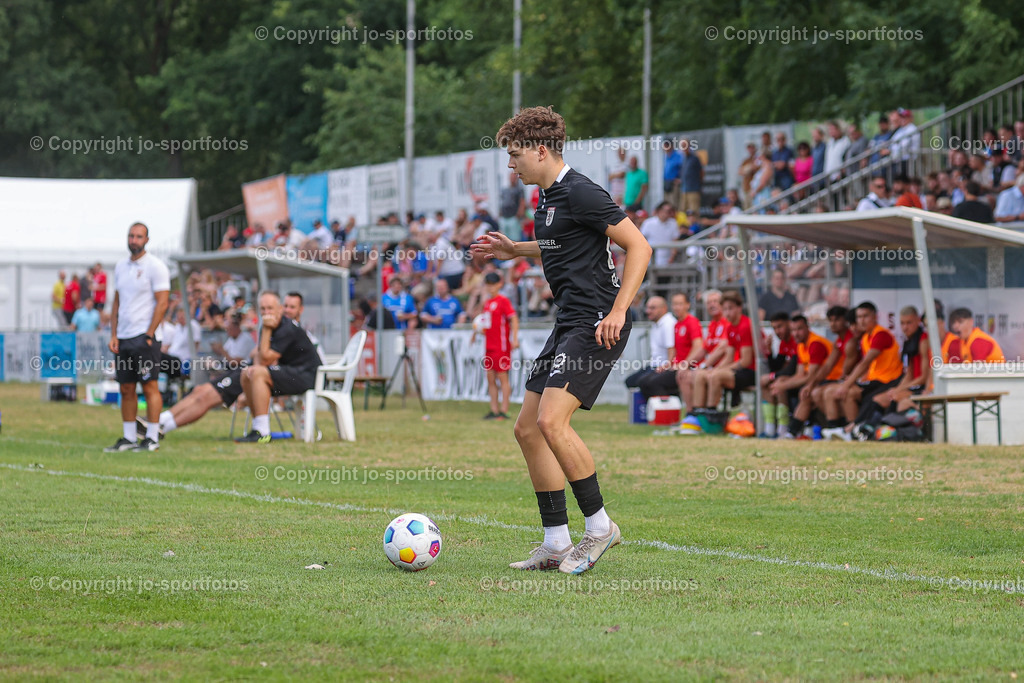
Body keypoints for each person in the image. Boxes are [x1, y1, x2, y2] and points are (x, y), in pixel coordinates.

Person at [472, 105, 651, 575]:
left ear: (541, 150)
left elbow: (640, 246)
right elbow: (562, 243)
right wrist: (515, 250)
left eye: (514, 155)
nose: (511, 165)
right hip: (567, 322)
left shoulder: (581, 192)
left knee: (552, 423)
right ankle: (555, 542)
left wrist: (617, 310)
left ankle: (600, 529)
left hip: (595, 323)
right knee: (527, 429)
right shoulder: (549, 198)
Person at [153, 291, 321, 442]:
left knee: (237, 380)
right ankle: (159, 422)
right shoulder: (270, 326)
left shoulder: (285, 328)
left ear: (279, 309)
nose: (266, 313)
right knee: (201, 390)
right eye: (262, 309)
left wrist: (265, 336)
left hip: (304, 376)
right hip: (261, 371)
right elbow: (258, 357)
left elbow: (263, 360)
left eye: (270, 308)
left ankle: (262, 431)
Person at [104, 223, 170, 453]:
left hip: (145, 336)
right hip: (124, 336)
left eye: (138, 236)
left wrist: (150, 333)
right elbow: (117, 301)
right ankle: (128, 436)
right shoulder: (121, 266)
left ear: (147, 240)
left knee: (150, 386)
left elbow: (163, 302)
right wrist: (114, 334)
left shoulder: (156, 266)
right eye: (131, 236)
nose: (134, 240)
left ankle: (152, 436)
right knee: (126, 388)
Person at [821, 302, 903, 441]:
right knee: (833, 391)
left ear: (875, 317)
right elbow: (869, 367)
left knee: (849, 392)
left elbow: (865, 363)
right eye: (859, 317)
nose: (862, 320)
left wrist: (847, 384)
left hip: (889, 380)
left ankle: (851, 430)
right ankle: (841, 428)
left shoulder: (881, 334)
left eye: (865, 316)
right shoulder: (865, 338)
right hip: (874, 380)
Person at [688, 290, 756, 413]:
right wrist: (715, 369)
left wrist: (719, 371)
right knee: (701, 375)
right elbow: (729, 357)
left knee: (715, 376)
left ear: (739, 308)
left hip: (752, 371)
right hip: (738, 369)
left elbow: (746, 361)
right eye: (725, 309)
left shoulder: (745, 326)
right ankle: (696, 414)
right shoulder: (730, 327)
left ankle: (711, 415)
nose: (727, 313)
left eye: (731, 308)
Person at [636, 292, 703, 400]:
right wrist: (667, 364)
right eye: (675, 304)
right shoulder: (677, 324)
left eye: (680, 304)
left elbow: (698, 346)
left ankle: (668, 411)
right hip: (675, 366)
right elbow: (675, 350)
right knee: (644, 381)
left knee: (653, 383)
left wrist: (684, 364)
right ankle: (656, 412)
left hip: (689, 367)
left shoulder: (692, 322)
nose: (677, 307)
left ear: (687, 305)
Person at [471, 272, 519, 420]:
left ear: (499, 284)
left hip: (501, 346)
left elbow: (514, 319)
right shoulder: (487, 303)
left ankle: (504, 410)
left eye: (493, 284)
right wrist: (475, 333)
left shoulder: (503, 301)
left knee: (502, 378)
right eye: (488, 284)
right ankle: (494, 409)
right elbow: (485, 324)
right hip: (489, 346)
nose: (490, 287)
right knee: (490, 378)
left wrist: (514, 339)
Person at [624, 296, 676, 393]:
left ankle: (659, 406)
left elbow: (672, 349)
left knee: (644, 382)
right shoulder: (656, 323)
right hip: (654, 364)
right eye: (647, 308)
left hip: (662, 366)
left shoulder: (668, 324)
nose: (648, 311)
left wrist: (666, 367)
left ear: (664, 308)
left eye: (652, 308)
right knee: (630, 381)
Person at [640, 202, 680, 268]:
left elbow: (675, 242)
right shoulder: (648, 223)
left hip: (667, 261)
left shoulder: (673, 223)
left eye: (669, 211)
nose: (667, 213)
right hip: (650, 260)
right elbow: (641, 240)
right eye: (665, 211)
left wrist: (672, 258)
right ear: (659, 211)